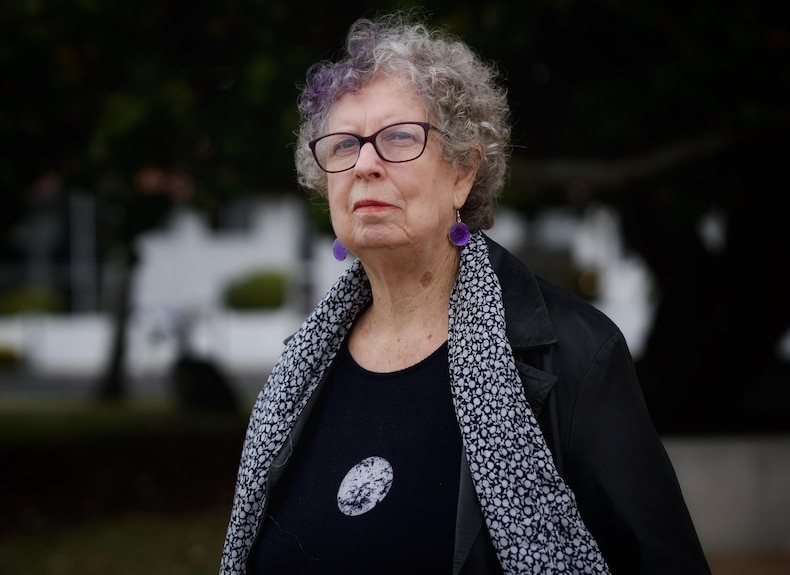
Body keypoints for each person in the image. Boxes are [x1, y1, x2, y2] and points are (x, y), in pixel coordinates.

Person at [220, 10, 711, 575]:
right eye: (342, 145)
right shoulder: (298, 371)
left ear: (464, 173)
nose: (366, 165)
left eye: (398, 138)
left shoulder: (578, 353)